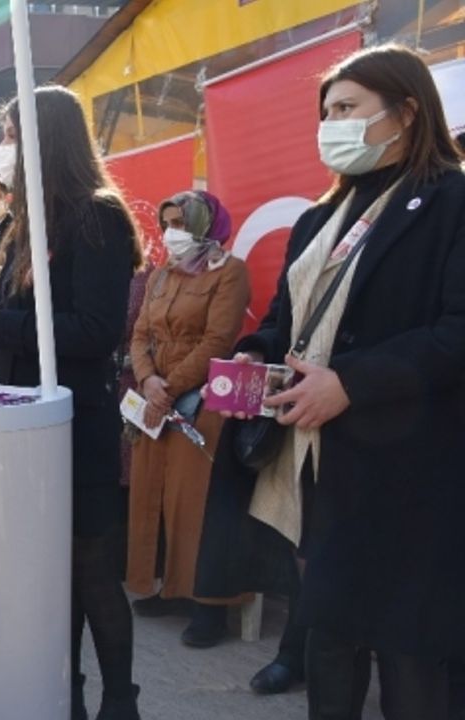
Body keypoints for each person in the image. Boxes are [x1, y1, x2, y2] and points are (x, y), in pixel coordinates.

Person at [209, 44, 465, 719]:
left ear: (406, 112)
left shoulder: (452, 201)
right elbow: (286, 323)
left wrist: (350, 382)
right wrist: (251, 358)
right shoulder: (320, 219)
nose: (332, 125)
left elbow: (457, 331)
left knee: (410, 659)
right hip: (324, 471)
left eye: (348, 109)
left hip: (415, 474)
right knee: (329, 641)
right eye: (326, 112)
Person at [0, 86, 142, 720]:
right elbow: (13, 316)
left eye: (10, 134)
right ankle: (66, 696)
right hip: (23, 429)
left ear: (45, 137)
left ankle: (121, 702)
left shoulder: (97, 216)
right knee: (48, 581)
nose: (2, 149)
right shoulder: (28, 223)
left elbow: (93, 330)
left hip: (76, 428)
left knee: (91, 577)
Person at [125, 191, 250, 647]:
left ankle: (207, 608)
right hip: (156, 402)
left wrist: (169, 386)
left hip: (198, 408)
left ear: (205, 224)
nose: (172, 232)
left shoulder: (230, 272)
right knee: (152, 499)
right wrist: (148, 380)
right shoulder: (160, 275)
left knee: (192, 507)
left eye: (182, 221)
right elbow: (140, 335)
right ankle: (169, 589)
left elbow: (218, 340)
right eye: (167, 223)